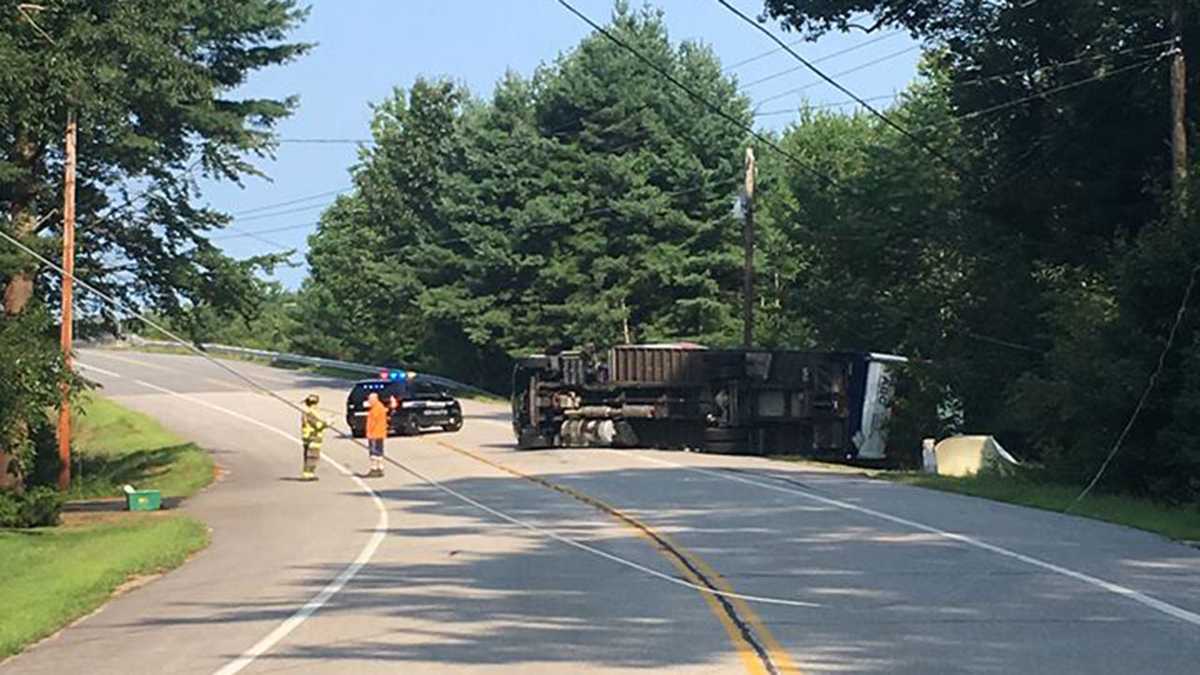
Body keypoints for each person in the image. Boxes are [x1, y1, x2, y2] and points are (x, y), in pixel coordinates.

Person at [300, 394, 328, 481]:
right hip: (312, 438)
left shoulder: (307, 412)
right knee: (312, 457)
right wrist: (327, 423)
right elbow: (318, 425)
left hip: (309, 438)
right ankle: (308, 474)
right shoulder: (310, 413)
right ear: (315, 403)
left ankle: (309, 474)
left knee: (310, 456)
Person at [365, 391, 389, 478]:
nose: (369, 401)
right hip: (380, 433)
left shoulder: (376, 409)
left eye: (370, 399)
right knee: (379, 451)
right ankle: (380, 468)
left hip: (374, 434)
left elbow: (372, 423)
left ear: (375, 399)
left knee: (374, 452)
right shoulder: (380, 407)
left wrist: (369, 433)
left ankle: (374, 468)